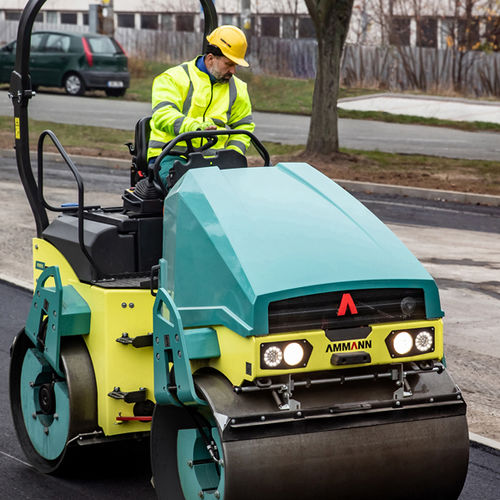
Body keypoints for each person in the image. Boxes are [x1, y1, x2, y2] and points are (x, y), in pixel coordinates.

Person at [147, 25, 255, 187]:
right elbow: (164, 114)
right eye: (228, 64)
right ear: (211, 58)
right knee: (188, 189)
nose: (233, 70)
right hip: (169, 156)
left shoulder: (238, 88)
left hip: (214, 160)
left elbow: (244, 126)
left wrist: (233, 154)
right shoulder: (172, 78)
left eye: (235, 65)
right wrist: (194, 128)